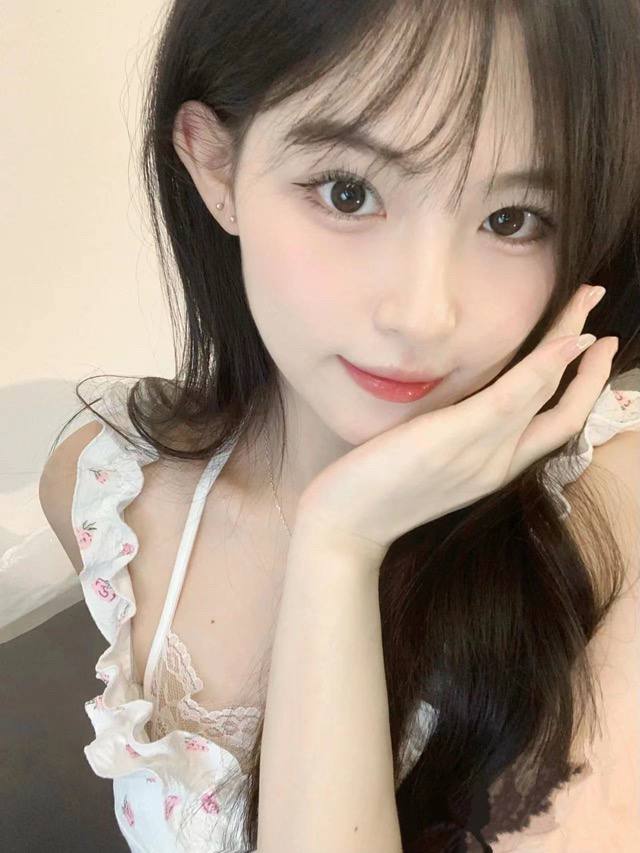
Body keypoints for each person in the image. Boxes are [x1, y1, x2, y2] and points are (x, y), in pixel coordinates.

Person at [40, 1, 640, 851]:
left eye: (511, 219)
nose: (423, 315)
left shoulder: (621, 514)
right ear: (215, 167)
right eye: (348, 192)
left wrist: (339, 542)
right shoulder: (111, 495)